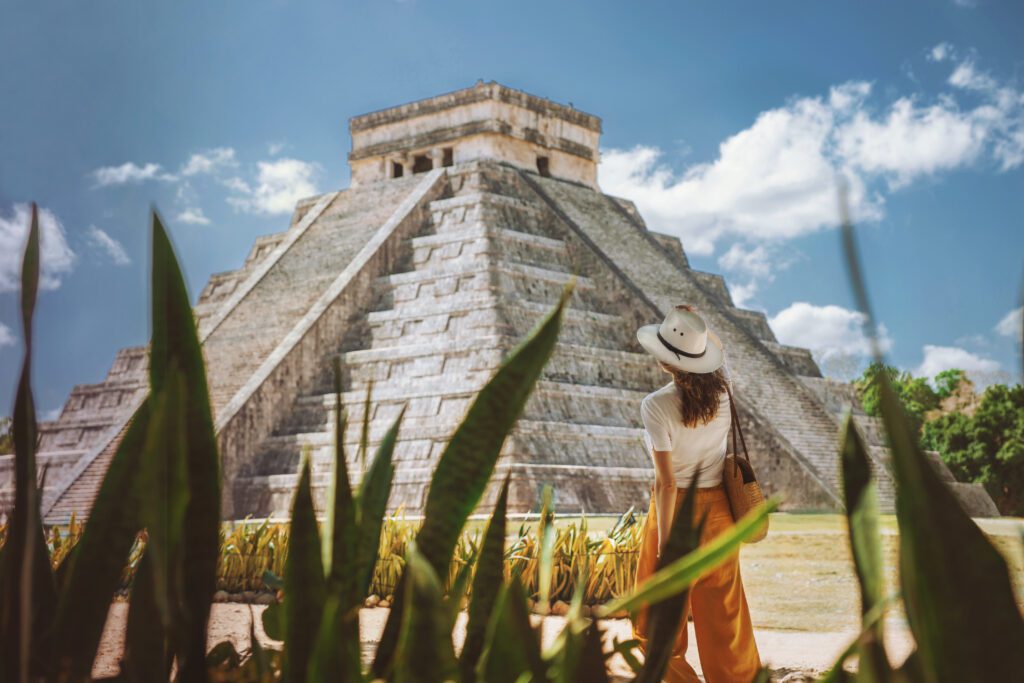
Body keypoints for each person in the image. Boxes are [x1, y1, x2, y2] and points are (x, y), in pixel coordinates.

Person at [632, 305, 761, 682]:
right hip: (719, 512)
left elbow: (667, 483)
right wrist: (697, 325)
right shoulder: (724, 392)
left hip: (674, 516)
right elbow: (718, 352)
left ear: (665, 359)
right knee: (726, 620)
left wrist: (664, 546)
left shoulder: (656, 406)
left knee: (655, 623)